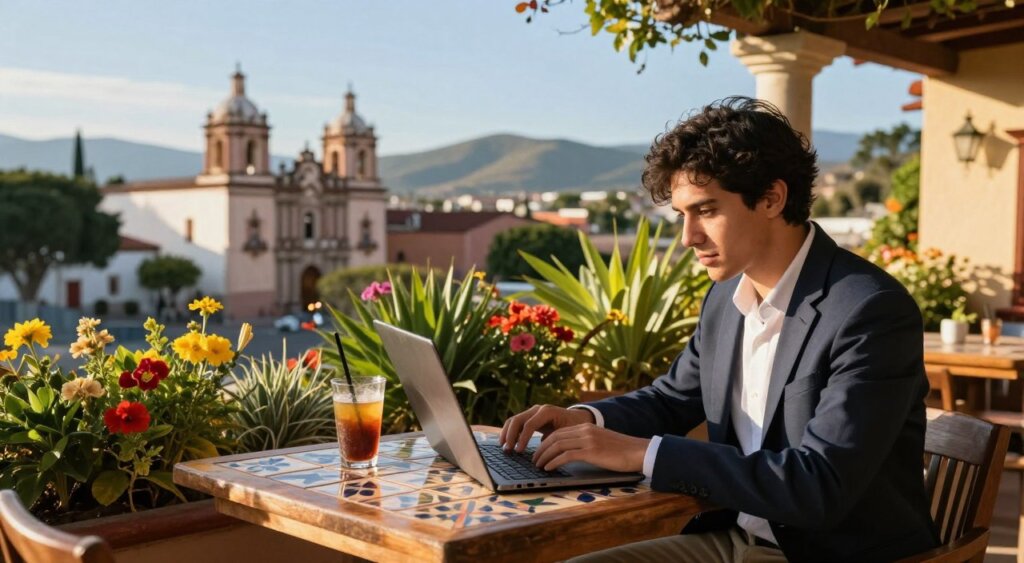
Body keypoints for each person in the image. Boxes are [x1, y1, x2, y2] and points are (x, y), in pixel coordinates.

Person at [500, 97, 938, 563]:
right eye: (682, 215)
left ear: (772, 198)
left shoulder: (869, 311)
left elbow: (820, 486)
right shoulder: (726, 299)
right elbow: (672, 398)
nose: (688, 237)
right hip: (736, 538)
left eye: (706, 211)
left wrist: (642, 454)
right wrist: (586, 419)